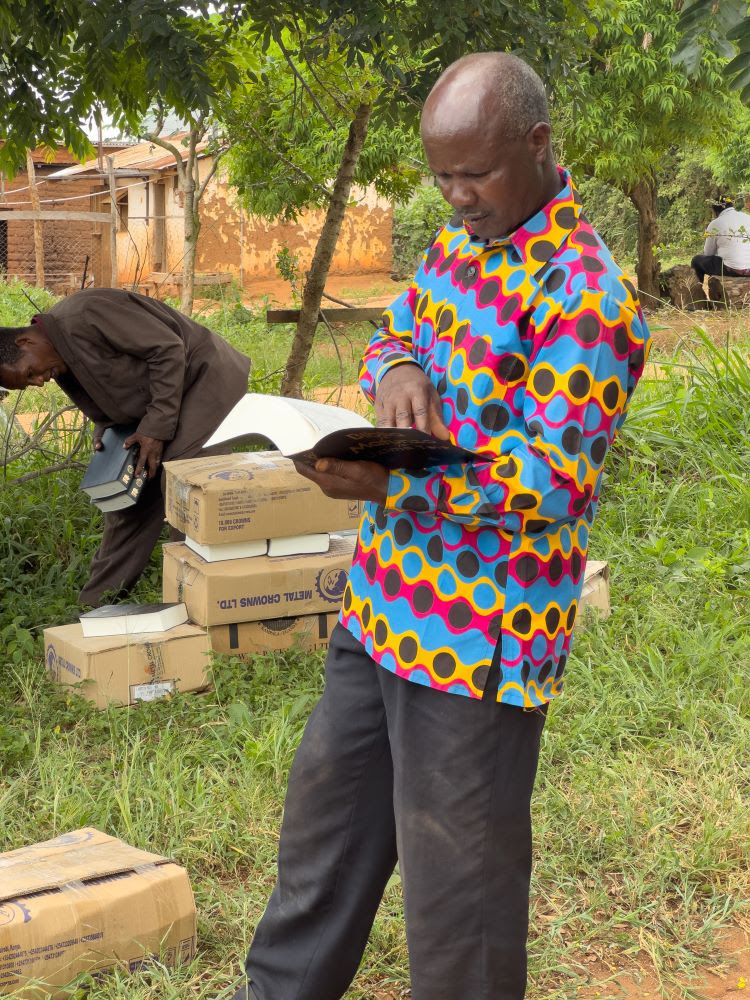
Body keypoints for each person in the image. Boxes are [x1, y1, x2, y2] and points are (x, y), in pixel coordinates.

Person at [233, 51, 650, 1000]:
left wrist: (388, 487)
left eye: (476, 172)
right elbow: (398, 328)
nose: (457, 196)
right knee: (322, 851)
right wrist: (393, 372)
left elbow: (549, 481)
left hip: (477, 644)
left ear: (537, 146)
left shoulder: (586, 297)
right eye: (442, 176)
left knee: (458, 901)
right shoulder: (460, 242)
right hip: (381, 611)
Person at [0, 288, 250, 605]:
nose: (38, 381)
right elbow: (113, 390)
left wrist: (155, 430)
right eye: (29, 383)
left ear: (26, 342)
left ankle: (200, 608)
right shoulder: (56, 359)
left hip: (204, 378)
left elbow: (168, 348)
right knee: (126, 499)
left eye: (30, 373)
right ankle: (95, 608)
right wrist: (107, 429)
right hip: (162, 407)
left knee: (182, 484)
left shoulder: (85, 315)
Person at [691, 195, 750, 282]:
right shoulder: (747, 217)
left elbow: (708, 253)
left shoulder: (714, 224)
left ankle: (704, 290)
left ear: (715, 211)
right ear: (731, 205)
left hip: (731, 269)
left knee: (697, 260)